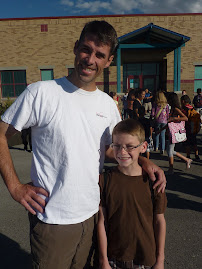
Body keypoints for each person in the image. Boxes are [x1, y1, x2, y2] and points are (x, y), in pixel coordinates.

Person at [0, 21, 166, 269]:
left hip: (93, 217)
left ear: (109, 61)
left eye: (100, 55)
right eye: (86, 50)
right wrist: (15, 187)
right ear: (76, 48)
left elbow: (110, 150)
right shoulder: (41, 93)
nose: (90, 59)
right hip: (53, 219)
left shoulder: (107, 105)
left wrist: (143, 160)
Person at [98, 119, 167, 269]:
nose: (122, 152)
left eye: (129, 147)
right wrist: (103, 260)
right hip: (113, 258)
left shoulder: (154, 182)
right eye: (117, 146)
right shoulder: (105, 180)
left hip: (145, 258)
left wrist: (160, 260)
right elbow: (101, 222)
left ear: (143, 147)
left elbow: (159, 221)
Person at [165, 92, 192, 175]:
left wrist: (174, 118)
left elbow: (186, 118)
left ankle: (171, 168)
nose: (167, 101)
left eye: (168, 99)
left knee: (170, 151)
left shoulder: (176, 109)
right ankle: (187, 160)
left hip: (174, 133)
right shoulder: (172, 109)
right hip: (170, 132)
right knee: (170, 150)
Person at [181, 94, 200, 160]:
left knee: (188, 143)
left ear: (183, 101)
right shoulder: (192, 108)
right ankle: (196, 155)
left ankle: (188, 155)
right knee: (194, 142)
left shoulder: (184, 109)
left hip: (187, 127)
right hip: (194, 127)